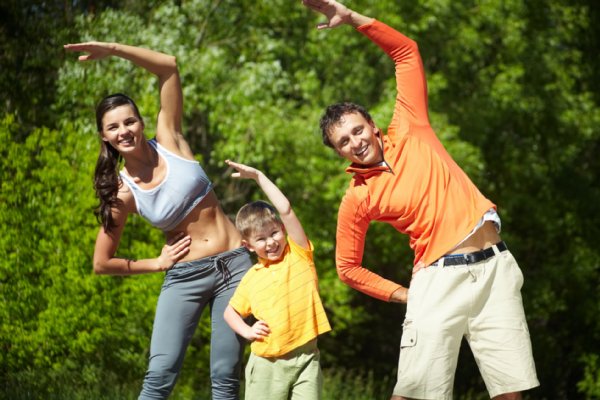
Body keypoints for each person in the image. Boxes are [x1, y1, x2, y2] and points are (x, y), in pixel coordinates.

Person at [301, 1, 539, 399]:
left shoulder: (411, 125)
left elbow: (406, 51)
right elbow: (347, 268)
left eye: (358, 131)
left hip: (496, 269)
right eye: (343, 142)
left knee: (511, 391)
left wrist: (354, 18)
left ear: (373, 126)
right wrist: (405, 295)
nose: (355, 142)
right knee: (413, 392)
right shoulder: (358, 198)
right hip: (438, 278)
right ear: (338, 152)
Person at [63, 41, 252, 399]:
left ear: (141, 121)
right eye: (114, 127)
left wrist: (112, 49)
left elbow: (168, 66)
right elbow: (102, 262)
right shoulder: (122, 193)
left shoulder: (170, 138)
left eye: (129, 120)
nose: (124, 131)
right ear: (105, 136)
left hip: (236, 265)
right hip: (185, 276)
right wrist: (156, 263)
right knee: (160, 374)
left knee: (226, 375)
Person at [222, 160, 331, 400]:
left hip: (307, 359)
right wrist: (247, 331)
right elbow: (230, 312)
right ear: (248, 246)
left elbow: (286, 210)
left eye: (274, 233)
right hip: (267, 365)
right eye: (260, 239)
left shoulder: (299, 255)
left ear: (283, 229)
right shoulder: (252, 278)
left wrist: (259, 177)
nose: (270, 242)